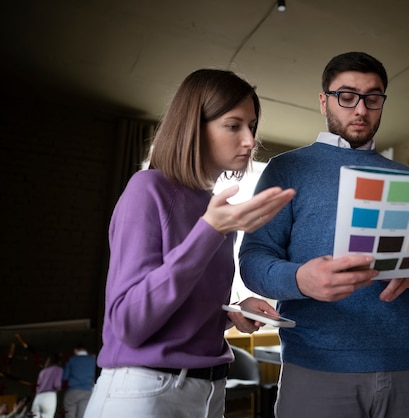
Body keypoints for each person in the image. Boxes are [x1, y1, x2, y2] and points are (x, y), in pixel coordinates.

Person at [83, 69, 295, 418]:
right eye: (233, 125)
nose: (249, 140)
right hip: (146, 392)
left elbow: (176, 303)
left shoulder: (213, 208)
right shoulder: (147, 189)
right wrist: (209, 231)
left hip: (209, 391)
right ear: (194, 126)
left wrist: (233, 313)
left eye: (252, 126)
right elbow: (129, 323)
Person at [239, 51, 409, 418]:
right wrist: (300, 279)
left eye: (373, 98)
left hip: (405, 365)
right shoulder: (287, 168)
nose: (360, 109)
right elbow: (253, 261)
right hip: (315, 366)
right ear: (324, 101)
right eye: (346, 97)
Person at [62, 344, 96, 418]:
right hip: (87, 390)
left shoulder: (71, 360)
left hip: (72, 391)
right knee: (82, 415)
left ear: (76, 350)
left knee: (69, 414)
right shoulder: (93, 360)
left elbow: (65, 377)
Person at [31, 354, 63, 418]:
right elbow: (57, 385)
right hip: (49, 396)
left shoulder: (42, 372)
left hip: (38, 397)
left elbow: (37, 387)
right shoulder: (58, 369)